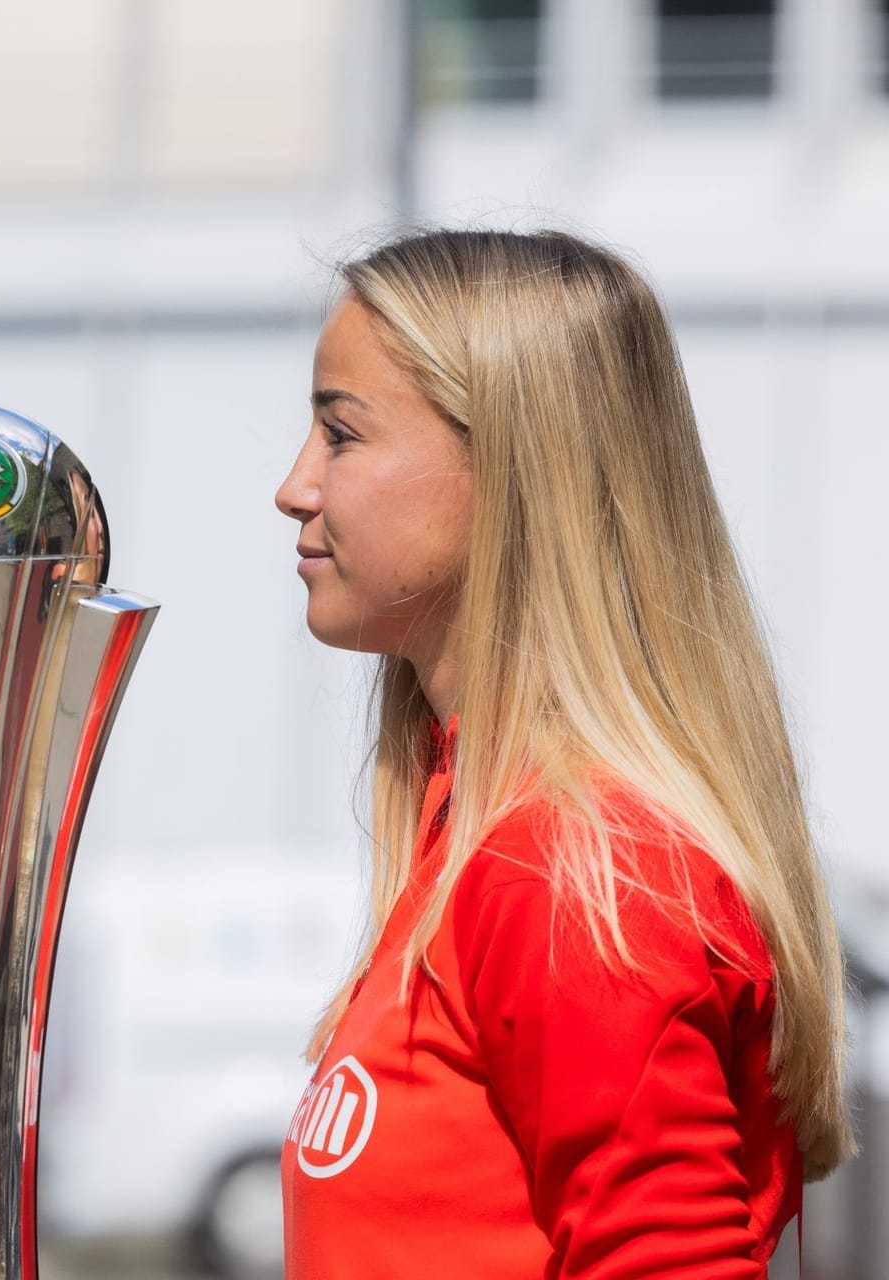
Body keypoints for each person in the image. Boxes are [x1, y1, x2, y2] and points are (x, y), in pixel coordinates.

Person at [273, 228, 849, 1277]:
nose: (295, 486)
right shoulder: (476, 826)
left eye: (341, 435)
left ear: (511, 464)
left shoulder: (573, 870)